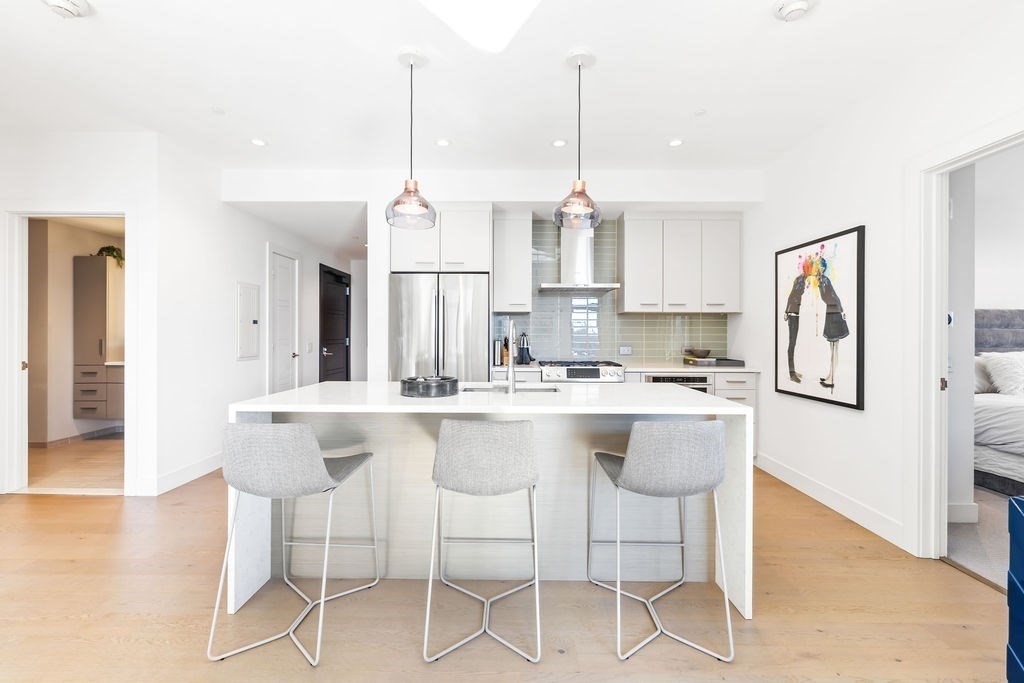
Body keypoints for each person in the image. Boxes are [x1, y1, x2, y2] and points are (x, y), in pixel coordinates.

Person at [817, 262, 849, 392]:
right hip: (831, 312)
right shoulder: (821, 280)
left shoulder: (824, 280)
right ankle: (830, 375)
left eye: (821, 267)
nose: (819, 269)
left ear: (823, 268)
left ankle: (832, 379)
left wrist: (842, 310)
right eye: (817, 267)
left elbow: (833, 296)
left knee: (834, 348)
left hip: (834, 314)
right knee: (832, 348)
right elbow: (827, 298)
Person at [784, 273, 807, 383]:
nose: (804, 287)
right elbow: (791, 296)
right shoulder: (799, 282)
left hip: (794, 315)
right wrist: (786, 312)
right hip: (793, 316)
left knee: (793, 343)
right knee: (792, 344)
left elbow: (791, 296)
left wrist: (786, 311)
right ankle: (792, 373)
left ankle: (793, 370)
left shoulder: (800, 281)